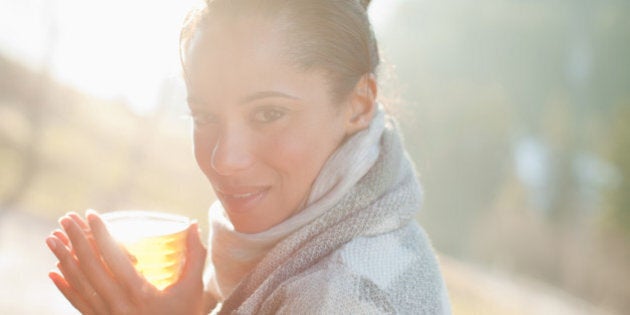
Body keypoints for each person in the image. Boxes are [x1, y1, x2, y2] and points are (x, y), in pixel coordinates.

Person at [45, 0, 451, 313]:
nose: (225, 160)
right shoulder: (311, 241)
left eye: (269, 113)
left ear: (359, 105)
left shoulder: (341, 296)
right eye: (204, 116)